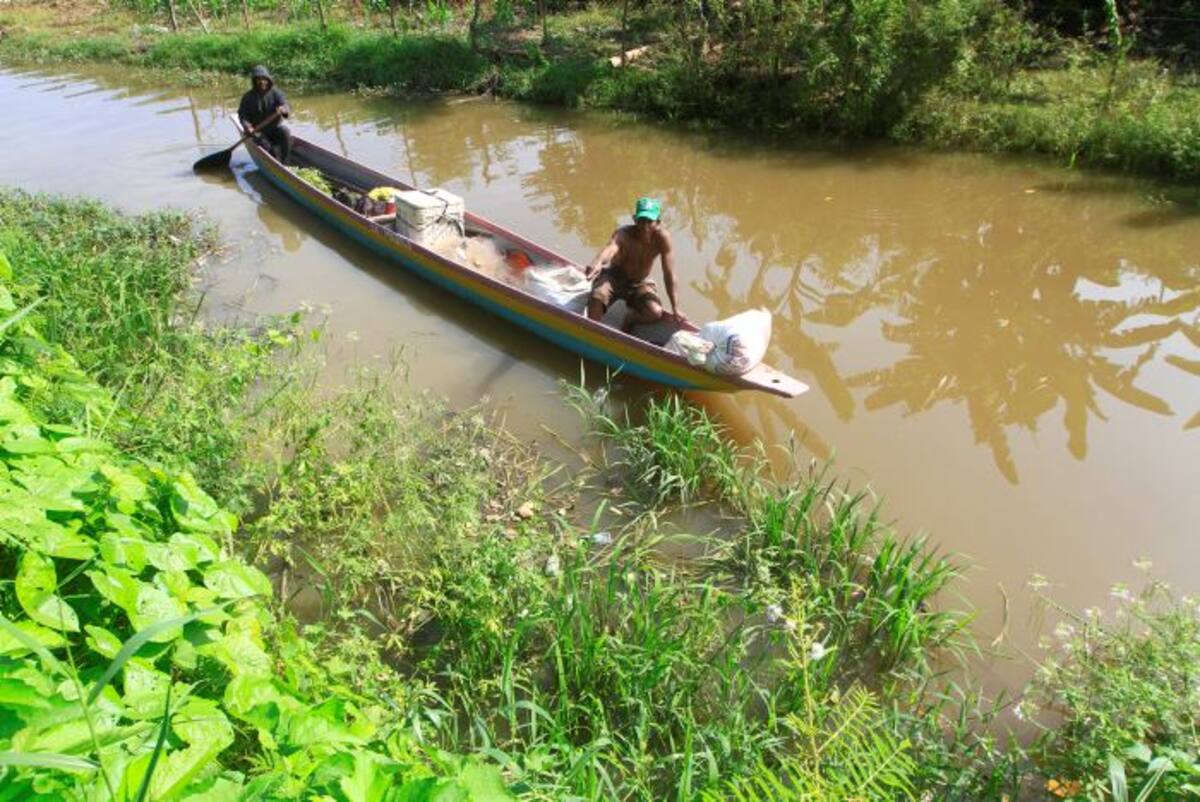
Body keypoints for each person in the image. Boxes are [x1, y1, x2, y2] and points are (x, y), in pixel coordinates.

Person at [585, 197, 683, 333]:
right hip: (614, 278)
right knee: (597, 296)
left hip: (639, 283)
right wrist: (598, 262)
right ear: (634, 219)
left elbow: (669, 274)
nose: (645, 226)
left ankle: (629, 320)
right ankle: (594, 333)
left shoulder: (662, 239)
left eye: (650, 222)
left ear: (658, 222)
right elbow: (611, 248)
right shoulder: (624, 233)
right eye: (641, 221)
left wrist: (675, 307)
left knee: (655, 312)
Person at [238, 65, 292, 164]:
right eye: (259, 79)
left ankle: (285, 162)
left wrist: (284, 109)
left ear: (268, 80)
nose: (262, 82)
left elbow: (286, 105)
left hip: (273, 128)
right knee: (266, 145)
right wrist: (248, 127)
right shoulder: (248, 97)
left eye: (264, 79)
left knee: (285, 131)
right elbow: (243, 115)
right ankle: (275, 160)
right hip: (257, 131)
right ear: (254, 81)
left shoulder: (276, 93)